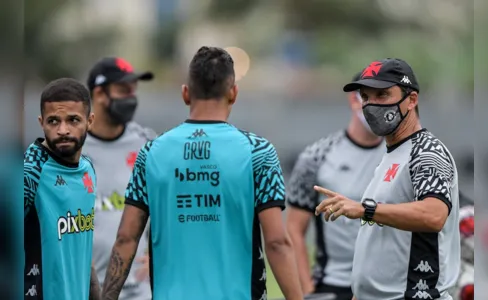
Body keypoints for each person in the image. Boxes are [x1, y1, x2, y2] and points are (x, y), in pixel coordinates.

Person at [100, 46, 302, 300]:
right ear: (234, 93)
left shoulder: (151, 152)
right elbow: (276, 243)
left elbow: (126, 238)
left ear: (186, 93)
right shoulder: (258, 152)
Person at [314, 58, 460, 300]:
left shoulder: (425, 152)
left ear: (411, 100)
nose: (371, 105)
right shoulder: (392, 154)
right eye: (366, 96)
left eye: (382, 95)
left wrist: (365, 209)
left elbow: (434, 215)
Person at [286, 72, 384, 300]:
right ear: (354, 100)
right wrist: (307, 292)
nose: (376, 107)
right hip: (333, 286)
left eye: (383, 97)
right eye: (368, 97)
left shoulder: (402, 156)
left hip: (386, 286)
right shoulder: (316, 157)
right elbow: (293, 230)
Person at [82, 57, 155, 300]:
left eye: (133, 90)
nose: (131, 97)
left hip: (138, 290)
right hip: (83, 289)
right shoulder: (72, 146)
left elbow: (166, 206)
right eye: (124, 90)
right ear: (100, 94)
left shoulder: (146, 143)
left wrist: (160, 252)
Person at [24, 78, 100, 300]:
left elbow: (83, 249)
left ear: (90, 121)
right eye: (53, 121)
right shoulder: (30, 173)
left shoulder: (88, 169)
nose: (63, 130)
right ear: (41, 123)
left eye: (73, 120)